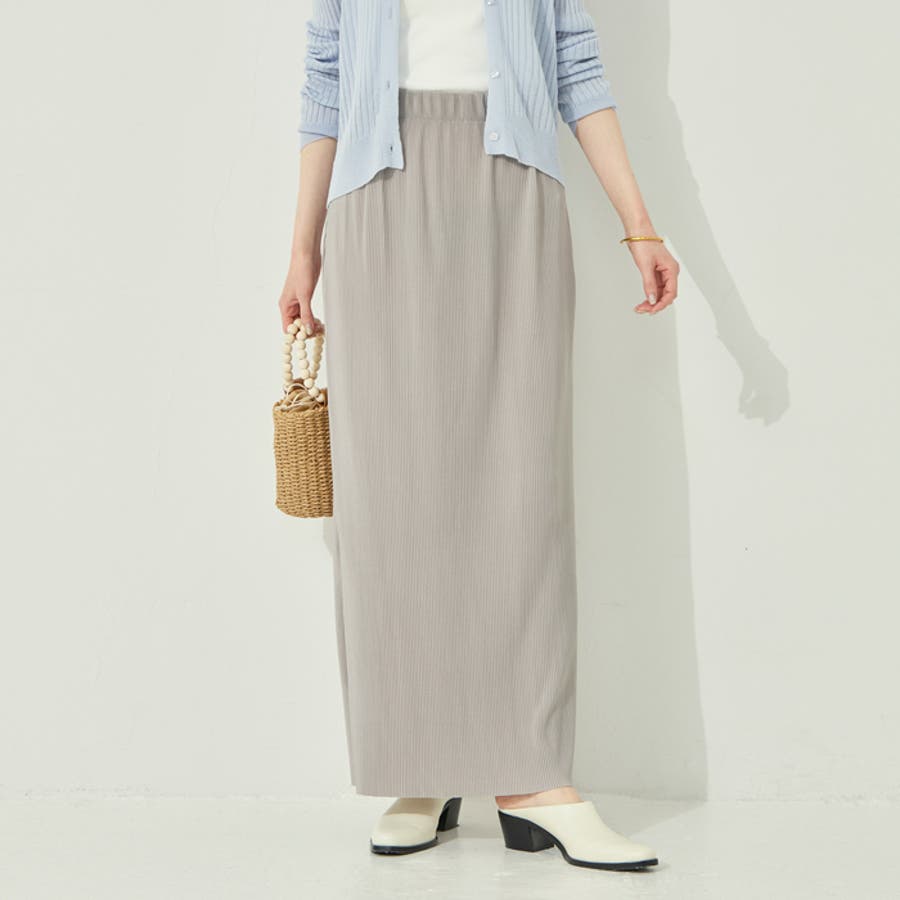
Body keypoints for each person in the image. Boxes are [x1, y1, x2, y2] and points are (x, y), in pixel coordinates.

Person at [278, 0, 679, 872]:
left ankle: (535, 777)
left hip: (513, 190)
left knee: (519, 487)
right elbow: (326, 81)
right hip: (376, 201)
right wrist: (303, 249)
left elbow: (576, 68)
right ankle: (420, 763)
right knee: (394, 497)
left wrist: (638, 222)